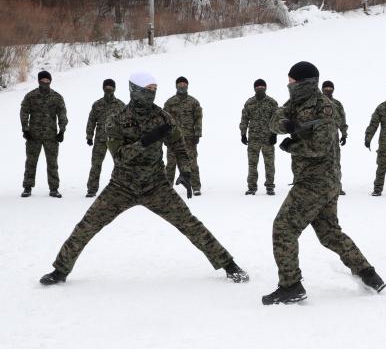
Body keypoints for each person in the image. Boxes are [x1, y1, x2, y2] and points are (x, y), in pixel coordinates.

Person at [39, 72, 248, 286]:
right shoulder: (117, 119)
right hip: (121, 186)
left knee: (190, 224)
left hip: (156, 186)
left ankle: (229, 265)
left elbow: (179, 144)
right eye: (148, 89)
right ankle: (60, 270)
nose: (152, 93)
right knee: (87, 225)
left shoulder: (163, 117)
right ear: (135, 90)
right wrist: (146, 141)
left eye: (155, 90)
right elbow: (119, 157)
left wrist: (185, 170)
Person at [262, 61, 385, 305]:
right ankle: (369, 275)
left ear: (304, 83)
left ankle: (290, 286)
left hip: (316, 180)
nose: (288, 85)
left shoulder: (324, 108)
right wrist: (287, 125)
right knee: (329, 233)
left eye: (291, 81)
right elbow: (274, 120)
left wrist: (292, 145)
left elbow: (321, 147)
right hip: (319, 181)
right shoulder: (295, 104)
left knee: (284, 227)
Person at [20, 70, 68, 198]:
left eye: (47, 80)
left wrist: (62, 131)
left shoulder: (57, 97)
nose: (45, 82)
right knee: (31, 162)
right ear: (39, 81)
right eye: (43, 80)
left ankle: (54, 188)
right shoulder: (30, 96)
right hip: (33, 136)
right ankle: (27, 187)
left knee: (52, 163)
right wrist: (25, 129)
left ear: (50, 81)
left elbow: (62, 114)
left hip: (51, 136)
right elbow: (24, 112)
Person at [85, 79, 125, 197]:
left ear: (114, 88)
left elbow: (127, 122)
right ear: (103, 88)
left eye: (111, 86)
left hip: (116, 141)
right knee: (96, 164)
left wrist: (128, 138)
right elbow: (91, 121)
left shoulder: (121, 105)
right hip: (100, 140)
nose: (108, 88)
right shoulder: (97, 104)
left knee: (120, 166)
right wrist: (89, 136)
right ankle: (92, 189)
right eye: (106, 86)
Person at [164, 76, 203, 196]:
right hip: (173, 140)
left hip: (189, 139)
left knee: (192, 163)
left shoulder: (193, 102)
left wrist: (197, 134)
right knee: (171, 164)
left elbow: (198, 119)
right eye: (180, 84)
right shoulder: (170, 103)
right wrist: (164, 136)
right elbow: (164, 120)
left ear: (187, 86)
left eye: (184, 84)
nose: (182, 86)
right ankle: (167, 188)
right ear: (176, 86)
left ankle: (196, 187)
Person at [239, 78, 278, 195]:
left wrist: (274, 134)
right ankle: (252, 187)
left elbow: (277, 119)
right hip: (253, 139)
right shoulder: (249, 103)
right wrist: (243, 133)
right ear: (254, 88)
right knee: (252, 164)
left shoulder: (272, 102)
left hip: (268, 139)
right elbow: (244, 119)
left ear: (265, 87)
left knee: (269, 164)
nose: (259, 88)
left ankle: (270, 186)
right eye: (257, 87)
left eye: (262, 86)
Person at [322, 80, 348, 195]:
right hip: (319, 138)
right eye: (326, 88)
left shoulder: (337, 104)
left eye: (330, 88)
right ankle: (320, 187)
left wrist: (344, 134)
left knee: (335, 162)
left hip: (334, 137)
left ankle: (337, 187)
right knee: (319, 162)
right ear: (322, 89)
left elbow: (342, 120)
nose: (328, 90)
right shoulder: (316, 103)